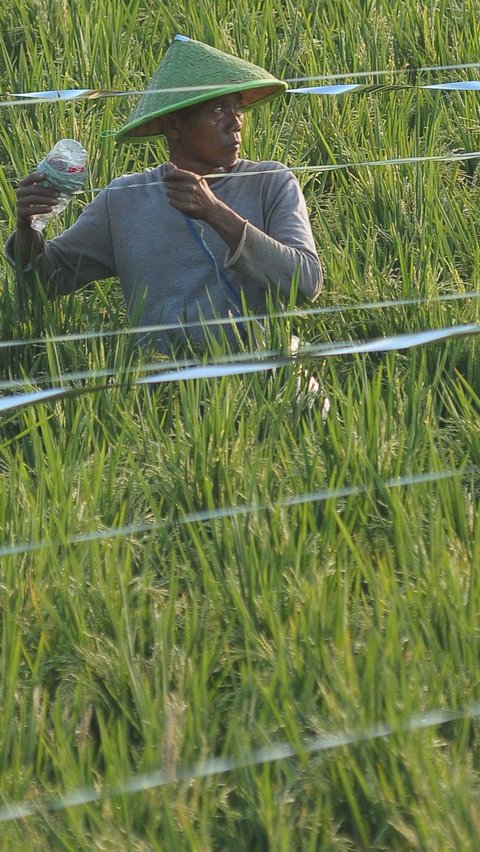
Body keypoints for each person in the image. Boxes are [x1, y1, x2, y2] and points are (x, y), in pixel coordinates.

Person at [6, 35, 322, 355]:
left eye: (237, 107)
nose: (235, 122)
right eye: (217, 109)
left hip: (264, 379)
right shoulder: (124, 199)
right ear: (172, 126)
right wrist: (27, 229)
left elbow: (307, 283)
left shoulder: (270, 182)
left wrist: (215, 212)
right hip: (163, 390)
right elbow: (49, 280)